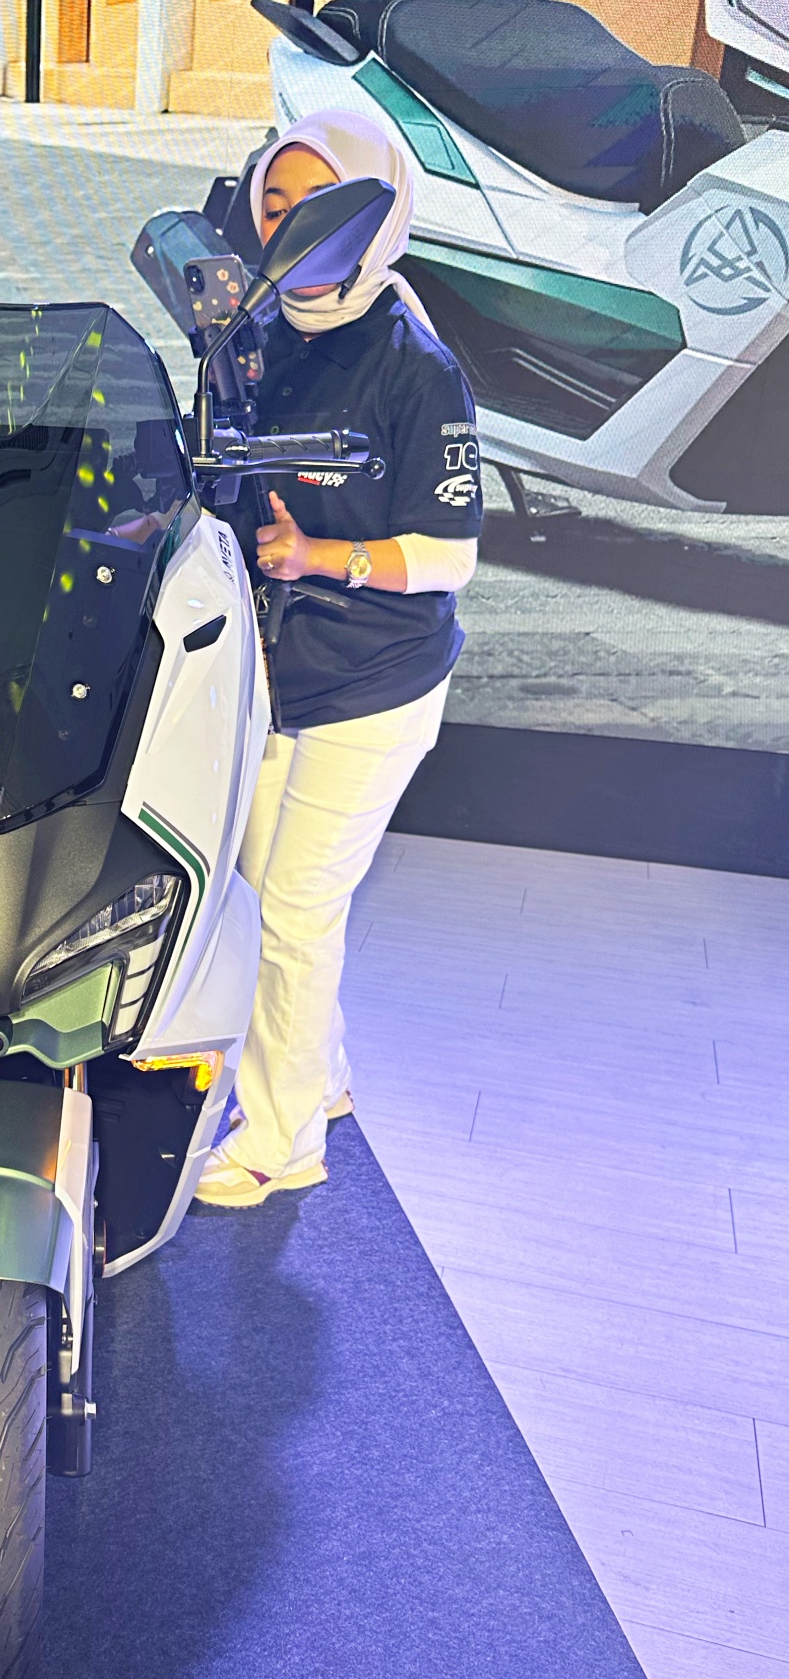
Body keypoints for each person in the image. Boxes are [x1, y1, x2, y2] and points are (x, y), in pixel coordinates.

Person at [195, 110, 482, 1207]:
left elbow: (450, 556)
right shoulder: (262, 331)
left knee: (296, 909)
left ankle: (281, 1140)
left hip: (378, 683)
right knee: (265, 893)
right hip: (280, 673)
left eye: (317, 204)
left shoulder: (418, 367)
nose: (289, 226)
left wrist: (323, 556)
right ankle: (324, 1075)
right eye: (273, 203)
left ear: (374, 216)